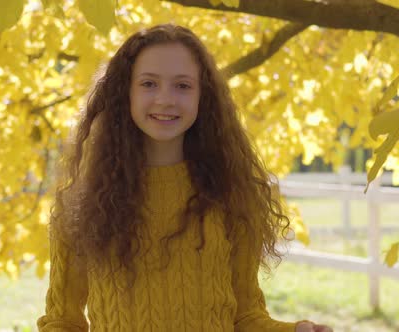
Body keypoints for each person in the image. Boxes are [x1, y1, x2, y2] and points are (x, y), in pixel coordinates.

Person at [37, 24, 333, 332]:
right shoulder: (82, 205)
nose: (165, 99)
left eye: (182, 86)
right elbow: (62, 321)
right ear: (126, 92)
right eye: (149, 83)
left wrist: (296, 331)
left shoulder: (231, 196)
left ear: (202, 97)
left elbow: (246, 317)